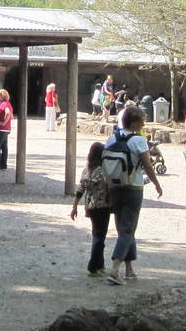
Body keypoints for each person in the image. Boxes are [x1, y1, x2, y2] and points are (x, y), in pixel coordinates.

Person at [102, 105, 164, 284]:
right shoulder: (138, 141)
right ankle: (115, 269)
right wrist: (156, 183)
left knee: (125, 228)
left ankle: (129, 269)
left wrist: (107, 189)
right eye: (142, 121)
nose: (144, 124)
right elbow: (147, 165)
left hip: (114, 187)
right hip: (133, 187)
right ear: (135, 122)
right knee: (128, 229)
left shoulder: (112, 137)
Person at [69, 141, 113, 276]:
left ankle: (100, 264)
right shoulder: (105, 171)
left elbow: (80, 190)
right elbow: (110, 187)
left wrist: (74, 207)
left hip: (90, 206)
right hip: (103, 206)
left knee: (97, 233)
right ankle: (93, 266)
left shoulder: (86, 170)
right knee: (100, 236)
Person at [0, 87, 13, 170]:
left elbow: (8, 114)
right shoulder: (8, 103)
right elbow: (9, 114)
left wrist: (3, 122)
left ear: (2, 96)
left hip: (2, 129)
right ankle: (4, 165)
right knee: (4, 147)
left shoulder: (4, 104)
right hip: (7, 129)